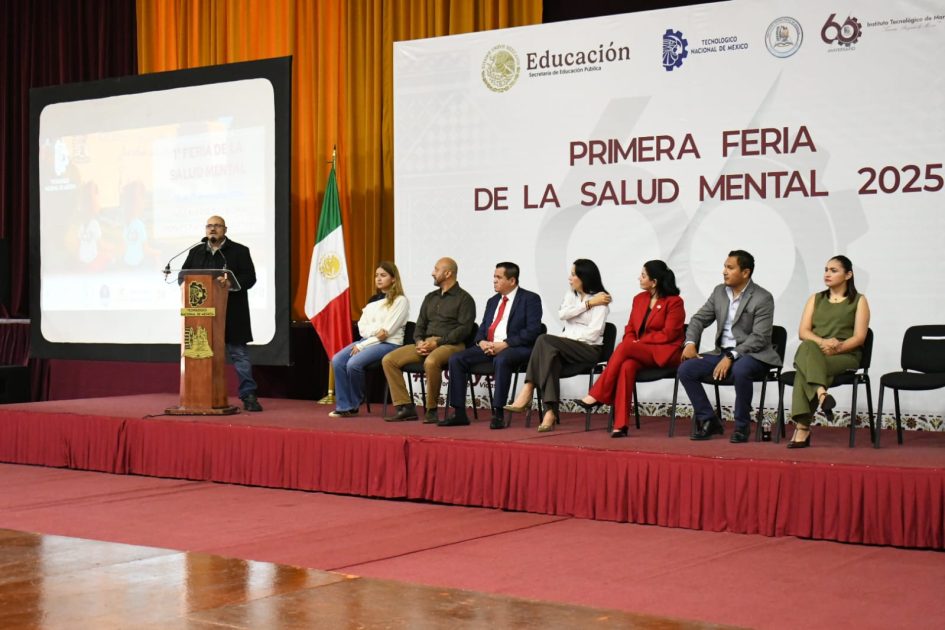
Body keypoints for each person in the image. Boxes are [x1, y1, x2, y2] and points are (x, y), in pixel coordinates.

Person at [678, 250, 781, 443]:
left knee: (741, 370)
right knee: (686, 369)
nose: (724, 271)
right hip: (721, 353)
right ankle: (709, 420)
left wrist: (732, 356)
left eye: (730, 267)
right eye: (724, 266)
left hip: (754, 355)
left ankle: (742, 426)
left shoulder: (762, 297)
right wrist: (690, 343)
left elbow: (760, 337)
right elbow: (699, 319)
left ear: (745, 272)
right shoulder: (719, 292)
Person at [578, 260, 685, 438]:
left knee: (626, 346)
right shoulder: (639, 299)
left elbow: (669, 335)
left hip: (665, 352)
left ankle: (597, 394)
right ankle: (620, 425)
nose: (639, 278)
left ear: (654, 281)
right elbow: (630, 329)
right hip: (639, 351)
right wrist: (634, 342)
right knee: (627, 365)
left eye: (643, 275)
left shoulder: (674, 302)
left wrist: (638, 342)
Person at [504, 259, 611, 432]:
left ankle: (528, 387)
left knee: (544, 339)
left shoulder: (601, 299)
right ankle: (550, 412)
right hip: (567, 348)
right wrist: (587, 305)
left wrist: (568, 336)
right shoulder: (572, 295)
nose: (570, 278)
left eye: (574, 274)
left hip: (589, 350)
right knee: (550, 359)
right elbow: (563, 314)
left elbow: (593, 334)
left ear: (584, 277)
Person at [440, 262, 543, 429]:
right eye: (494, 277)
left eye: (498, 277)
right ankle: (459, 412)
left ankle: (498, 413)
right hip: (489, 346)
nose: (494, 280)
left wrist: (505, 344)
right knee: (456, 358)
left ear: (512, 280)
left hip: (516, 348)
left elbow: (533, 331)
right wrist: (481, 342)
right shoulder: (493, 301)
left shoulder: (529, 299)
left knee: (502, 360)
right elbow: (482, 329)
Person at [787, 255, 870, 448]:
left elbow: (859, 338)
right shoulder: (815, 299)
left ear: (848, 274)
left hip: (845, 356)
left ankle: (803, 427)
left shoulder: (859, 300)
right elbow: (803, 332)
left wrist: (837, 347)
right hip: (816, 353)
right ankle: (822, 395)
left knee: (803, 369)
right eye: (826, 269)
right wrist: (824, 342)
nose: (827, 274)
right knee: (807, 346)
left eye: (834, 270)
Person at [181, 215, 262, 412]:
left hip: (232, 313)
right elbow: (182, 275)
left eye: (217, 226)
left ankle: (248, 395)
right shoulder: (196, 251)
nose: (212, 229)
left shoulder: (239, 251)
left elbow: (250, 278)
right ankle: (200, 394)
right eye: (209, 226)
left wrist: (231, 283)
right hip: (202, 317)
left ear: (225, 229)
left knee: (239, 354)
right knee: (201, 355)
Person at [382, 257, 476, 424]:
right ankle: (405, 407)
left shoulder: (465, 299)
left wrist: (437, 343)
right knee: (389, 360)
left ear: (448, 273)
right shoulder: (430, 297)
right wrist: (419, 342)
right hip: (426, 343)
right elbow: (420, 324)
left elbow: (464, 330)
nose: (432, 273)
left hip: (451, 344)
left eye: (436, 269)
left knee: (431, 362)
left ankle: (431, 409)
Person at [329, 262, 409, 418]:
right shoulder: (373, 300)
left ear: (393, 279)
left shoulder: (400, 301)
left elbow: (386, 332)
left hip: (389, 344)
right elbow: (362, 327)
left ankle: (354, 403)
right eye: (376, 275)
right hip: (368, 340)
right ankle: (344, 405)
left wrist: (363, 345)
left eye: (383, 275)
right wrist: (373, 332)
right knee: (337, 360)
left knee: (353, 363)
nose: (378, 279)